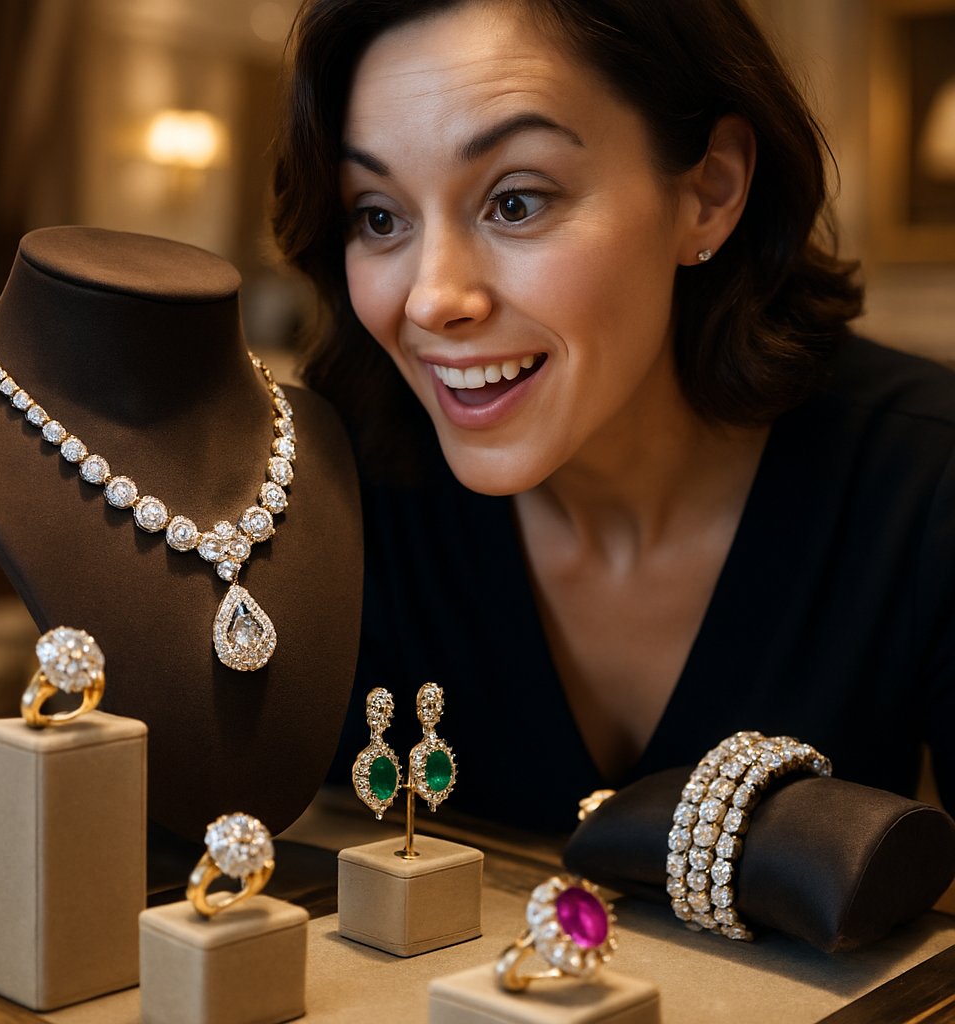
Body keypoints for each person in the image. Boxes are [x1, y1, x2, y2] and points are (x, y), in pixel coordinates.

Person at [270, 0, 955, 831]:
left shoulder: (923, 477)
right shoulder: (331, 494)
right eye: (379, 216)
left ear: (710, 190)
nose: (432, 298)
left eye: (515, 202)